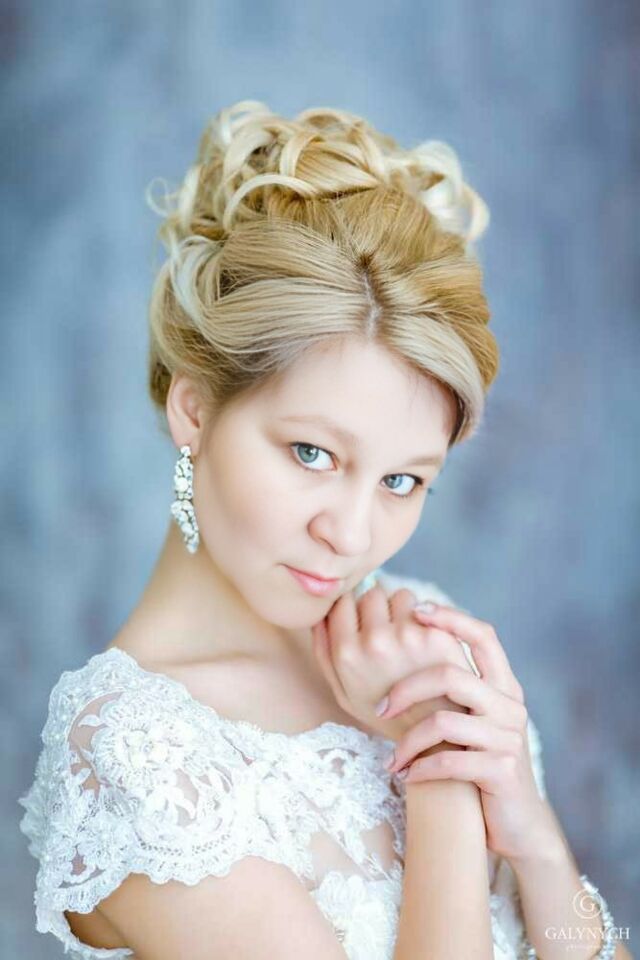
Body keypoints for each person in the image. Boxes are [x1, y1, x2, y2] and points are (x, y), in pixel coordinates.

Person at [19, 100, 626, 960]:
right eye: (312, 453)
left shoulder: (416, 637)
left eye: (402, 480)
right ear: (195, 408)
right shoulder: (135, 753)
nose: (351, 534)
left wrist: (538, 842)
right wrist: (441, 783)